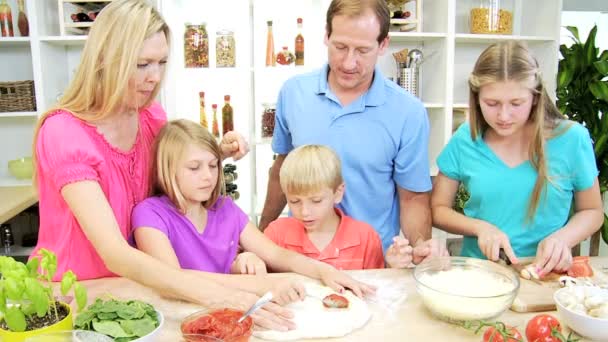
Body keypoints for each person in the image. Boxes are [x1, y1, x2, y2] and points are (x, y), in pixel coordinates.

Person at [30, 0, 303, 331]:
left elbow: (173, 165)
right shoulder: (64, 132)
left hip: (138, 285)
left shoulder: (150, 118)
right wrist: (217, 295)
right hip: (75, 293)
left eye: (161, 62)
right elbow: (114, 253)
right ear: (105, 60)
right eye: (142, 64)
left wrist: (217, 151)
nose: (155, 77)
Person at [259, 0, 447, 264]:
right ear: (326, 35)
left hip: (371, 265)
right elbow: (281, 171)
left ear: (383, 45)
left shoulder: (408, 112)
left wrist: (420, 248)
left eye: (362, 50)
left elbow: (413, 198)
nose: (349, 62)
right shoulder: (293, 93)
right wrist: (260, 237)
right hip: (301, 264)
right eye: (340, 47)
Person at [132, 120, 374, 301]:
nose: (208, 176)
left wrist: (323, 270)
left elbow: (277, 255)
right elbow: (174, 282)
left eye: (213, 165)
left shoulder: (225, 210)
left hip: (232, 309)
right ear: (167, 169)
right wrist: (260, 284)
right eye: (194, 168)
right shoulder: (149, 215)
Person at [431, 41, 604, 277]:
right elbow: (438, 209)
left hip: (548, 274)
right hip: (479, 274)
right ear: (476, 97)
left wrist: (562, 239)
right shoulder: (466, 138)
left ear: (535, 97)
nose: (503, 116)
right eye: (491, 104)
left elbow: (592, 211)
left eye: (516, 103)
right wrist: (481, 228)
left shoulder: (572, 139)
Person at [263, 144, 385, 270]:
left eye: (316, 201)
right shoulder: (275, 234)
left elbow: (378, 285)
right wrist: (248, 258)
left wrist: (394, 266)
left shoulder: (365, 237)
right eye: (294, 201)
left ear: (338, 193)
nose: (305, 212)